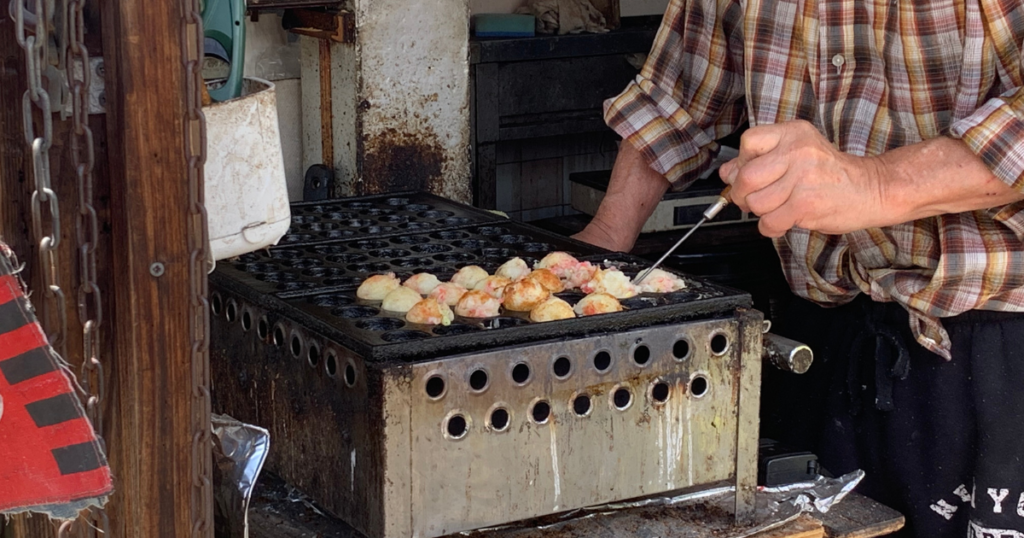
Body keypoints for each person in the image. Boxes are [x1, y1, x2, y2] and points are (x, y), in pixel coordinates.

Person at [571, 1, 1024, 537]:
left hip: (994, 349)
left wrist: (876, 184)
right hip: (819, 338)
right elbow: (677, 94)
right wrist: (606, 244)